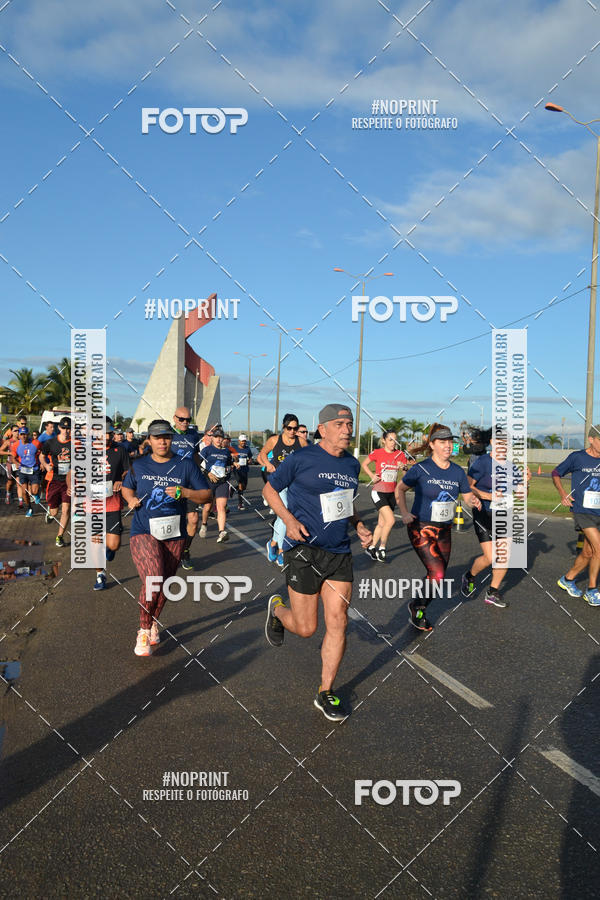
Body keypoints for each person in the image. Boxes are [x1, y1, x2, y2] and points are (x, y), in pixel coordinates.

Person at [263, 403, 372, 721]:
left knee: (338, 620)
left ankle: (326, 691)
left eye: (350, 424)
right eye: (340, 424)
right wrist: (289, 521)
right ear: (322, 429)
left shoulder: (351, 464)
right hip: (303, 550)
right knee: (307, 628)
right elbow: (270, 490)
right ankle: (277, 610)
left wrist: (359, 525)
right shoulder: (301, 458)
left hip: (338, 551)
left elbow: (346, 502)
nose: (347, 429)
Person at [121, 420, 211, 656]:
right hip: (144, 530)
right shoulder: (139, 465)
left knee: (165, 584)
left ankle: (152, 622)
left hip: (174, 533)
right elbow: (127, 487)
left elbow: (206, 495)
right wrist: (130, 499)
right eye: (157, 437)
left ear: (172, 439)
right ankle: (143, 630)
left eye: (167, 437)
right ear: (149, 440)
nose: (162, 442)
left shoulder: (185, 465)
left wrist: (186, 492)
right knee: (153, 577)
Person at [396, 423, 481, 631]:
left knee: (437, 576)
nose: (448, 446)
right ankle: (417, 607)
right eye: (442, 442)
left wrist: (474, 501)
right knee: (438, 573)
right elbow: (400, 488)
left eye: (450, 442)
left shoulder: (457, 472)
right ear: (432, 445)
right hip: (420, 527)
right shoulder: (421, 469)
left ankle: (418, 606)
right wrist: (404, 513)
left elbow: (467, 496)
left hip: (444, 530)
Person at [460, 429, 528, 608]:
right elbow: (468, 486)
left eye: (506, 442)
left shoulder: (512, 467)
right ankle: (469, 576)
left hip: (505, 515)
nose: (503, 446)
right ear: (492, 442)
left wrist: (526, 482)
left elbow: (521, 495)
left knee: (504, 555)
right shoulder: (482, 462)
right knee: (490, 557)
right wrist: (488, 496)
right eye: (500, 442)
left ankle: (493, 591)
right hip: (484, 513)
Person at [553, 424, 600, 606]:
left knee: (589, 552)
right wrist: (563, 493)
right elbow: (556, 473)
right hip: (582, 511)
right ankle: (592, 590)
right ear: (591, 439)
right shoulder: (577, 457)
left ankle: (568, 579)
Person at [258, 413, 307, 566]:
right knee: (285, 512)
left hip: (294, 483)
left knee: (284, 516)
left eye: (295, 428)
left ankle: (272, 543)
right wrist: (268, 465)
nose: (292, 431)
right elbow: (262, 453)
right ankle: (281, 551)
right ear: (283, 427)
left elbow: (310, 457)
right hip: (278, 482)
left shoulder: (301, 442)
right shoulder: (274, 440)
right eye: (289, 428)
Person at [90, 419, 130, 591]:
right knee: (95, 541)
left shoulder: (120, 450)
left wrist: (121, 479)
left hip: (112, 502)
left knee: (114, 545)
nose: (107, 437)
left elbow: (128, 470)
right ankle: (100, 574)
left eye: (109, 433)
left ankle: (109, 549)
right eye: (104, 434)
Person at [361, 431, 407, 562]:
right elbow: (364, 464)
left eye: (395, 440)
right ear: (384, 440)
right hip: (378, 491)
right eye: (390, 439)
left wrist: (404, 468)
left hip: (391, 493)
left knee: (382, 523)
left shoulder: (400, 454)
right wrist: (372, 476)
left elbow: (405, 477)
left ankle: (371, 548)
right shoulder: (377, 452)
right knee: (391, 520)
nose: (393, 442)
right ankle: (382, 548)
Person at [170, 407, 202, 570]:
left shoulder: (193, 435)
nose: (185, 422)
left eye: (188, 420)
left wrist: (200, 473)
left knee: (193, 519)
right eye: (181, 419)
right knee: (172, 520)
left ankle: (185, 550)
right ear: (174, 418)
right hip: (171, 484)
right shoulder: (167, 434)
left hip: (189, 484)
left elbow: (195, 455)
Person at [40, 416, 72, 547]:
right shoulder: (50, 443)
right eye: (63, 428)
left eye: (68, 428)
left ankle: (59, 536)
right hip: (54, 480)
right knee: (54, 512)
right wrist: (46, 465)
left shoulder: (75, 444)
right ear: (59, 428)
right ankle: (50, 513)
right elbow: (41, 456)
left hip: (68, 482)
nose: (66, 431)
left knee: (66, 509)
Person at [199, 427, 234, 541]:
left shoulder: (226, 451)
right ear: (212, 438)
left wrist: (230, 469)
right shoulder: (207, 450)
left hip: (222, 483)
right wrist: (207, 473)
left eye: (220, 437)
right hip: (209, 482)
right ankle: (204, 524)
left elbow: (229, 466)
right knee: (208, 507)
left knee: (221, 507)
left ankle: (221, 532)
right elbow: (197, 464)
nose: (218, 439)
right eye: (216, 437)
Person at [15, 427, 42, 517]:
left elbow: (43, 451)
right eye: (22, 434)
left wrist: (42, 462)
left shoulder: (36, 442)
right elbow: (13, 456)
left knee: (34, 491)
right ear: (19, 435)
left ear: (28, 434)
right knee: (24, 492)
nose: (23, 436)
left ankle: (36, 494)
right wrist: (16, 462)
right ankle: (29, 508)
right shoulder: (16, 444)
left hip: (34, 470)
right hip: (23, 471)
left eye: (25, 434)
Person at [234, 434, 253, 510]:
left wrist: (250, 460)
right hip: (237, 470)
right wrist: (234, 460)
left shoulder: (247, 449)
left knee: (244, 486)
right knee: (241, 486)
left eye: (244, 441)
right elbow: (231, 458)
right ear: (239, 441)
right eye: (242, 441)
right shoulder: (235, 449)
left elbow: (250, 457)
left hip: (245, 469)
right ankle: (240, 503)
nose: (243, 442)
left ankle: (232, 489)